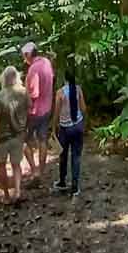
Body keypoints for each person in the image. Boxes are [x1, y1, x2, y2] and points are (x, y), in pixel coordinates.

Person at [0, 65, 29, 204]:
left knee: (2, 165)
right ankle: (17, 192)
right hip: (18, 135)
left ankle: (6, 196)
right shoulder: (23, 92)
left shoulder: (0, 96)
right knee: (16, 165)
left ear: (4, 78)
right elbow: (31, 108)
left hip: (2, 136)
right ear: (17, 77)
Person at [52, 66, 87, 196]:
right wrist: (84, 123)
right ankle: (75, 185)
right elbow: (83, 108)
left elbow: (56, 113)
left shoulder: (60, 93)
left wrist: (53, 128)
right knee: (76, 156)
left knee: (63, 155)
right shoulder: (78, 90)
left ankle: (62, 181)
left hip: (65, 128)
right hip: (77, 126)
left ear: (64, 78)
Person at [21, 41, 54, 181]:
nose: (24, 59)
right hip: (47, 108)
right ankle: (41, 171)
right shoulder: (46, 62)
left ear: (28, 55)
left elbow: (33, 94)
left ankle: (34, 170)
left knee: (23, 140)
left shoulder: (33, 69)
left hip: (34, 112)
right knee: (42, 140)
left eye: (24, 56)